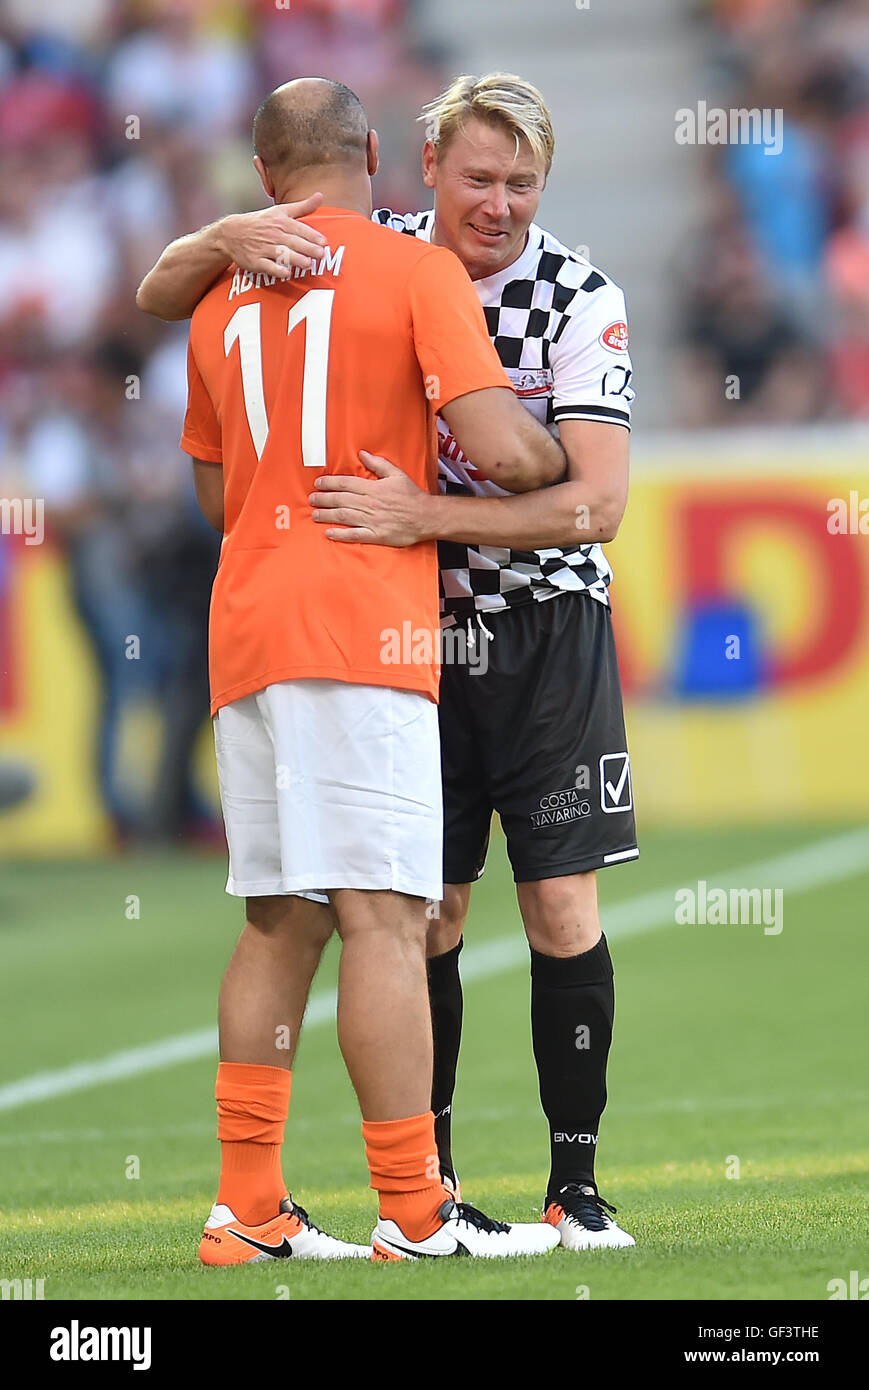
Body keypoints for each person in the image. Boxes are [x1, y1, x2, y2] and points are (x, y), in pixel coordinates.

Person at [138, 71, 637, 1251]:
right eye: (478, 177)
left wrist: (215, 239)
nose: (499, 202)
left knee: (282, 919)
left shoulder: (228, 290)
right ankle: (420, 1205)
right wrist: (495, 469)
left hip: (254, 629)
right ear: (391, 155)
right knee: (392, 915)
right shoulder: (408, 268)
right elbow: (516, 459)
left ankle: (248, 1206)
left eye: (522, 183)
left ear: (264, 180)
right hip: (372, 631)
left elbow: (216, 487)